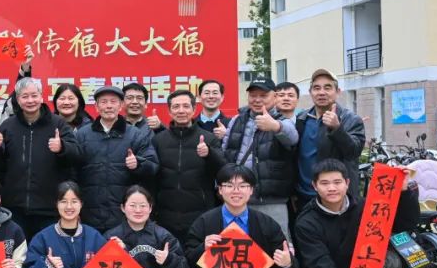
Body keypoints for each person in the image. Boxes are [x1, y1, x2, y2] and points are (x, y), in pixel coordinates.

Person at [0, 77, 81, 238]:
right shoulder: (8, 126)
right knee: (17, 252)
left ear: (41, 96)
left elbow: (77, 154)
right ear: (18, 100)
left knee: (48, 251)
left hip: (49, 209)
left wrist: (62, 147)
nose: (30, 100)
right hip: (14, 209)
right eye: (25, 96)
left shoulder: (57, 123)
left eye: (34, 95)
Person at [221, 78, 299, 240]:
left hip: (271, 200)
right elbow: (225, 152)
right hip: (237, 197)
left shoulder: (282, 121)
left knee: (277, 244)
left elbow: (293, 138)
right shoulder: (237, 120)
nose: (257, 100)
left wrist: (275, 126)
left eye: (263, 95)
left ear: (275, 97)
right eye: (253, 95)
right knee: (236, 245)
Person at [74, 85, 158, 232]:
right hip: (89, 213)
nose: (108, 106)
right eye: (104, 102)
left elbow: (153, 164)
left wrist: (138, 163)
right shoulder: (82, 135)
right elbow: (72, 171)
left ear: (121, 106)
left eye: (113, 101)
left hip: (124, 215)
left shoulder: (135, 134)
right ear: (96, 107)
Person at [152, 90, 226, 241]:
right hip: (166, 216)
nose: (181, 111)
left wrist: (209, 154)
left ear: (194, 109)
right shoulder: (158, 140)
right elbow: (152, 177)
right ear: (169, 111)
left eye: (186, 106)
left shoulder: (208, 138)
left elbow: (223, 171)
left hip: (201, 214)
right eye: (176, 107)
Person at [294, 69, 366, 210]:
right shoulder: (301, 119)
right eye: (317, 88)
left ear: (337, 92)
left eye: (327, 88)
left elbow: (353, 152)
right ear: (310, 92)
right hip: (303, 196)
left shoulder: (350, 119)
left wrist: (337, 129)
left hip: (336, 198)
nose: (321, 92)